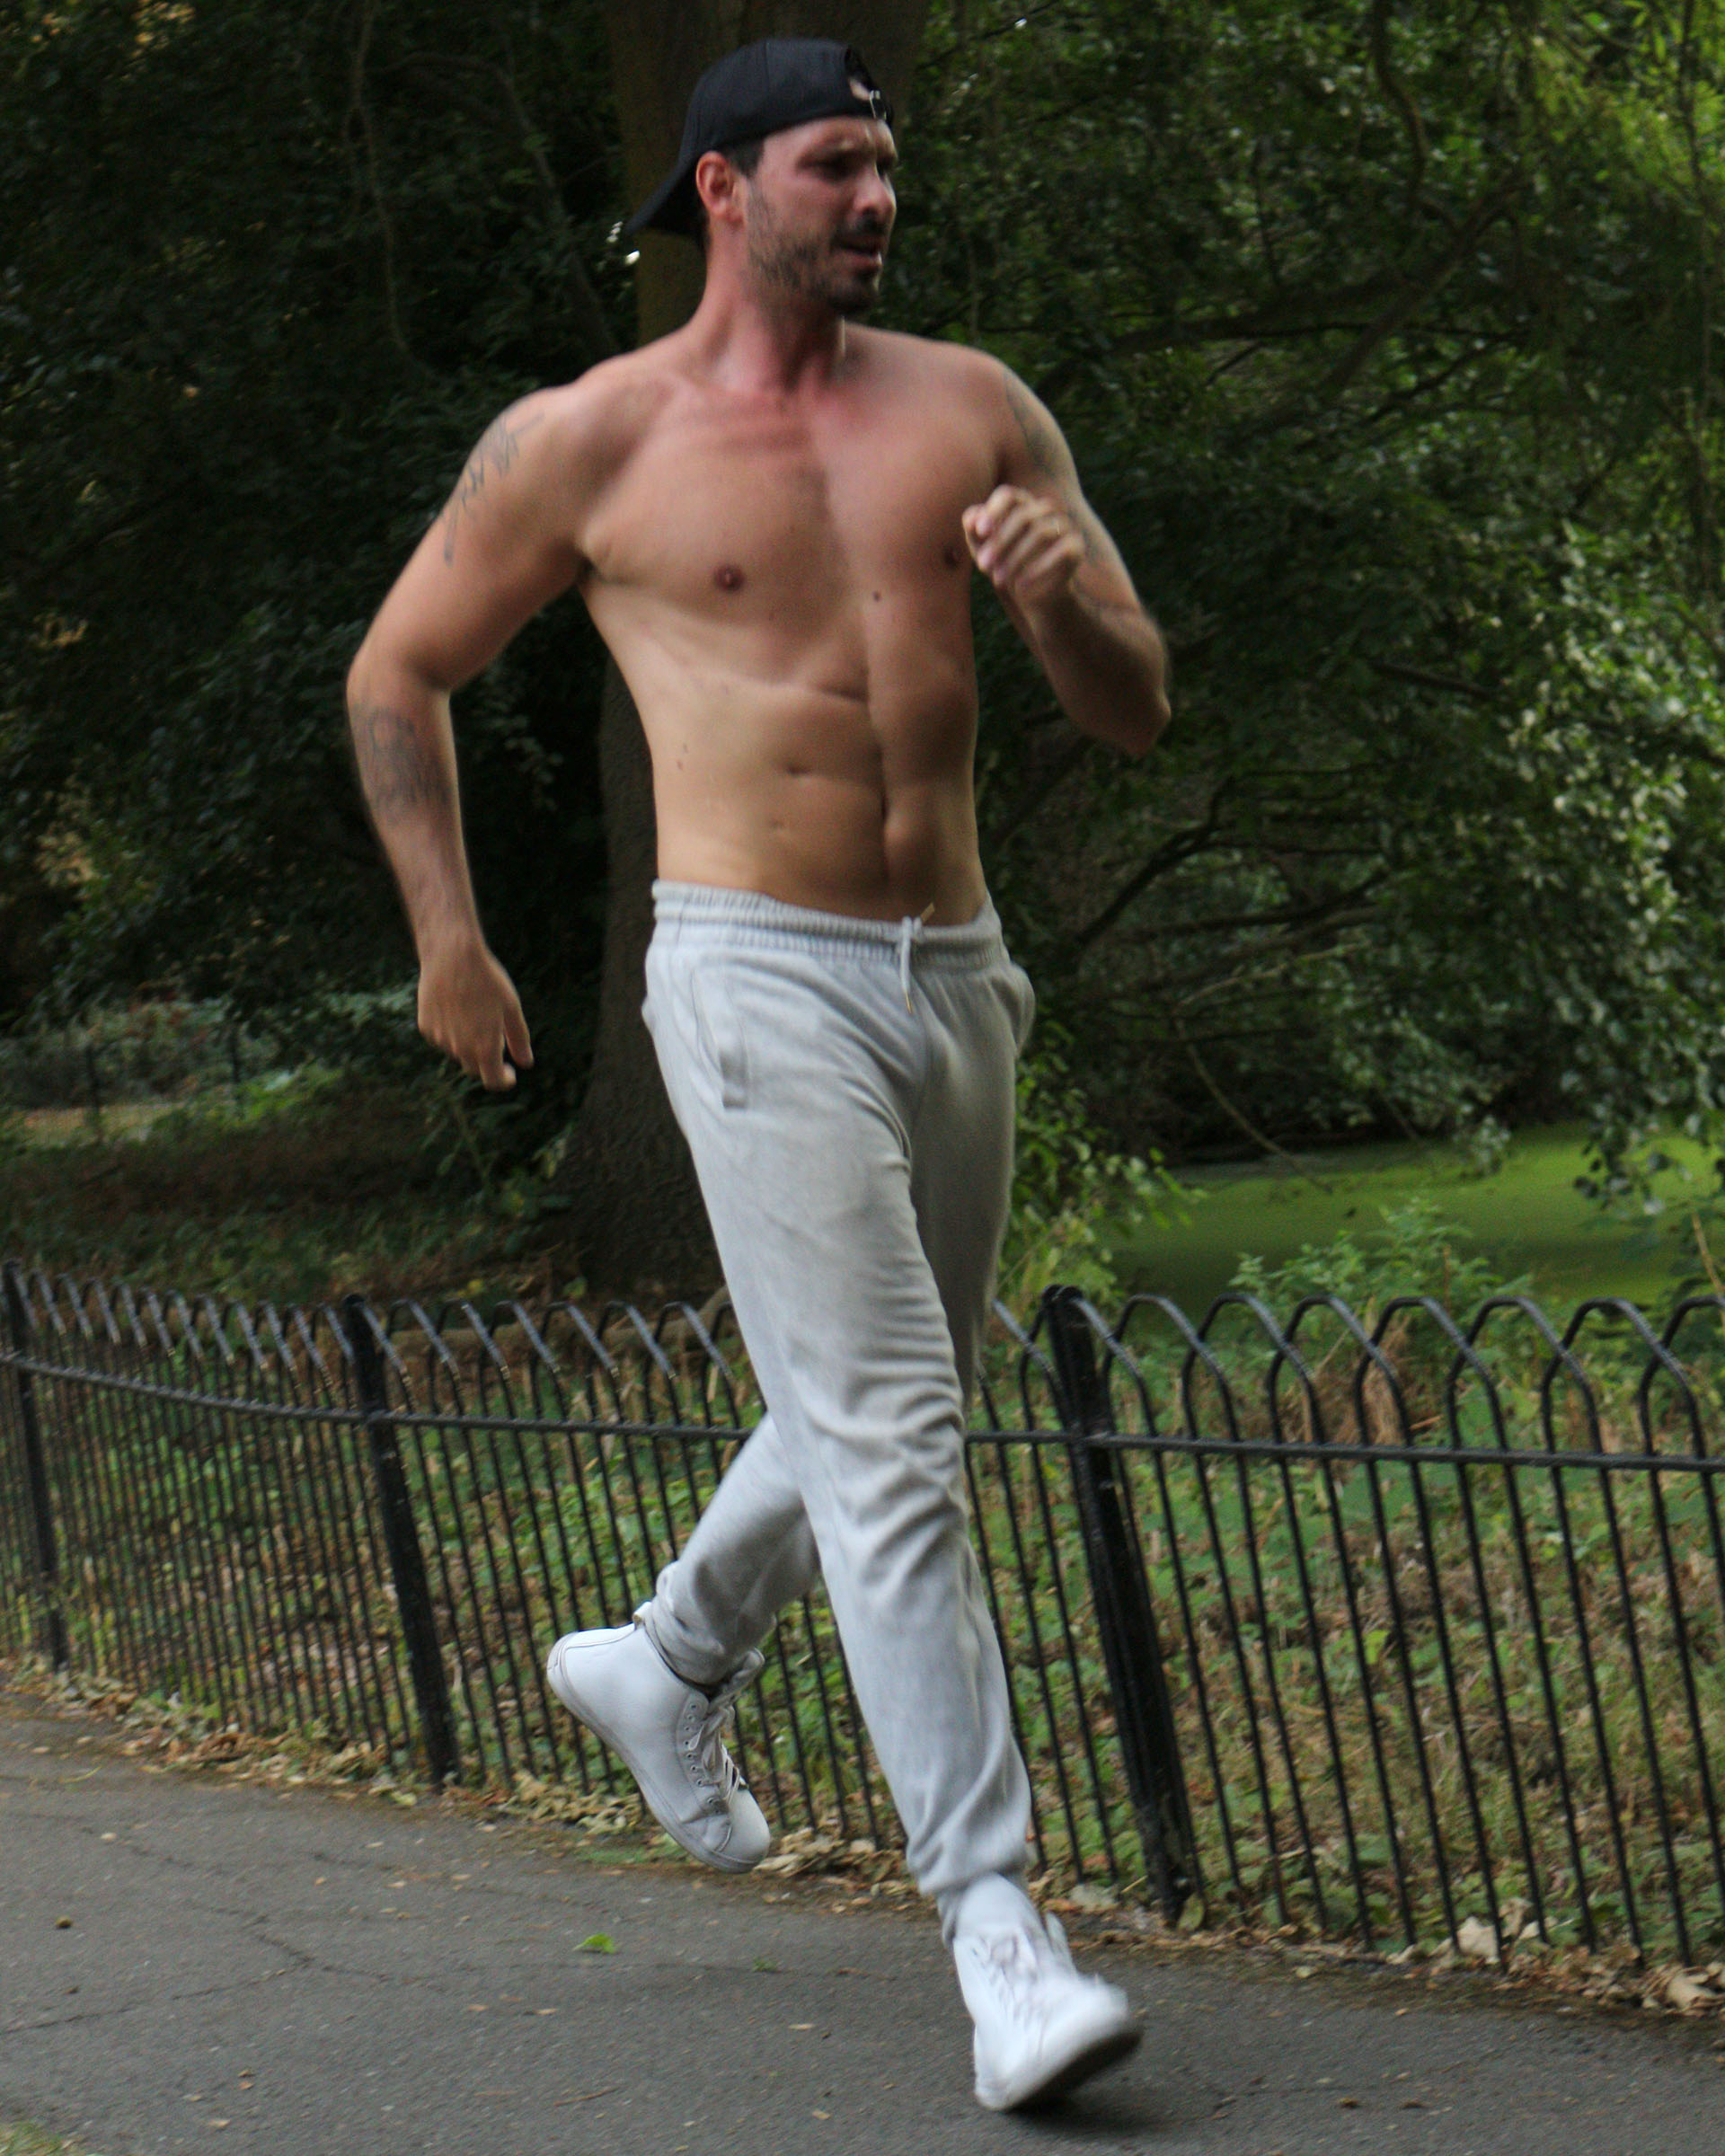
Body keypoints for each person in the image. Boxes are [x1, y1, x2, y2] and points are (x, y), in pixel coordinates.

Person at [345, 36, 1169, 2113]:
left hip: (955, 969)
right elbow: (398, 671)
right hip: (752, 970)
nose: (877, 198)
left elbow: (1136, 706)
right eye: (835, 165)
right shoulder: (587, 442)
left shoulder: (976, 406)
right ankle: (999, 1933)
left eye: (886, 165)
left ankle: (667, 1656)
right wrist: (450, 936)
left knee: (898, 1394)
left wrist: (1064, 611)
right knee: (895, 1442)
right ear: (722, 187)